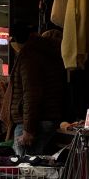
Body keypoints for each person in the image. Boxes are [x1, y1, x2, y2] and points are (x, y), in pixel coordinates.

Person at [9, 22, 67, 156]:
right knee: (34, 167)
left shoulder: (30, 55)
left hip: (34, 122)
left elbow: (31, 94)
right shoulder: (47, 54)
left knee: (26, 168)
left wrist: (28, 129)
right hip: (45, 118)